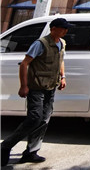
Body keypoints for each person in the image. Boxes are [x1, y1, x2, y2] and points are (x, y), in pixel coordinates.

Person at [1, 17, 71, 166]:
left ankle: (31, 152)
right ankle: (6, 145)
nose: (65, 31)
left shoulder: (62, 43)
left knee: (44, 120)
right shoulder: (40, 44)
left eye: (66, 29)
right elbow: (24, 64)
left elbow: (61, 60)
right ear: (53, 29)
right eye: (63, 28)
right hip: (36, 88)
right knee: (34, 118)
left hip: (51, 87)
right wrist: (24, 86)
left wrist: (63, 77)